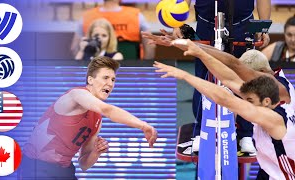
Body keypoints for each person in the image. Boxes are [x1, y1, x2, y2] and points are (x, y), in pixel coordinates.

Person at [153, 43, 295, 179]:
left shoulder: (273, 118)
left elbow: (225, 99)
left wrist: (185, 76)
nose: (245, 101)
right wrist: (201, 53)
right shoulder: (268, 95)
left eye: (250, 101)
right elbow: (229, 79)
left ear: (266, 102)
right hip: (270, 170)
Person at [21, 56, 158, 179]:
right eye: (105, 78)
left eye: (113, 79)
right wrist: (143, 125)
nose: (110, 84)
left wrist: (96, 152)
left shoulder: (97, 120)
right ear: (90, 79)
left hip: (64, 170)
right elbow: (108, 110)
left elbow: (83, 164)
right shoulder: (76, 95)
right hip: (36, 167)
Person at [173, 0, 271, 148]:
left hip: (242, 26)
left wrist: (264, 28)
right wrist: (177, 23)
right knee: (203, 78)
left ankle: (245, 135)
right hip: (206, 26)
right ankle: (201, 132)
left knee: (245, 80)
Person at [71, 0, 155, 60]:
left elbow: (75, 47)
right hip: (129, 70)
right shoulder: (136, 15)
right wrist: (145, 68)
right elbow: (150, 45)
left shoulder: (87, 16)